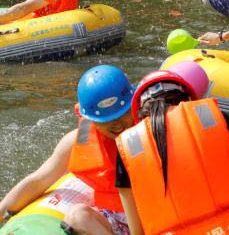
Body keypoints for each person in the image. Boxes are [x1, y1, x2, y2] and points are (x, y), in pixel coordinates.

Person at [115, 70, 229, 235]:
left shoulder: (128, 145)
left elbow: (137, 229)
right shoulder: (217, 117)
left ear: (141, 114)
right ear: (189, 101)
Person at [0, 65, 135, 235]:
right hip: (116, 217)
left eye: (122, 113)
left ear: (133, 105)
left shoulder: (151, 128)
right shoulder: (80, 139)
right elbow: (39, 180)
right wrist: (2, 212)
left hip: (154, 212)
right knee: (77, 216)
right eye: (106, 120)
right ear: (89, 119)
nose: (117, 123)